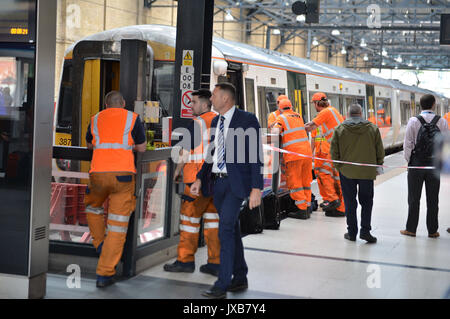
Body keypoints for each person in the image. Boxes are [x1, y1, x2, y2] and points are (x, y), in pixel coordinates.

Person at [190, 82, 264, 299]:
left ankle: (222, 284)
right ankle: (240, 276)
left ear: (225, 99)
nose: (211, 99)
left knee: (224, 230)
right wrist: (200, 179)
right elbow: (212, 154)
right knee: (231, 230)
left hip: (235, 185)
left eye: (214, 95)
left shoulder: (247, 119)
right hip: (218, 184)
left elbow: (255, 156)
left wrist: (256, 188)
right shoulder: (216, 121)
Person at [84, 91, 146, 288]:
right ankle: (104, 274)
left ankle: (100, 243)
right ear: (124, 103)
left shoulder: (95, 119)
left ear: (105, 104)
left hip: (98, 175)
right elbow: (142, 148)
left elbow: (88, 144)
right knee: (118, 225)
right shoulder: (133, 118)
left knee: (93, 207)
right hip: (123, 176)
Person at [163, 89, 220, 276]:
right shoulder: (222, 121)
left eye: (194, 102)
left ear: (205, 105)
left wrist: (176, 173)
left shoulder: (197, 124)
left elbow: (185, 152)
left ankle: (185, 261)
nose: (191, 106)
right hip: (216, 182)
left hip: (194, 180)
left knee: (189, 221)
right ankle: (215, 262)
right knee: (213, 222)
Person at [330, 104, 385, 243]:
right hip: (367, 172)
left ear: (348, 114)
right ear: (361, 113)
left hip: (347, 172)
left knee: (350, 202)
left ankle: (352, 232)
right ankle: (365, 231)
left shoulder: (340, 129)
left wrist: (339, 167)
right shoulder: (372, 128)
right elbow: (380, 150)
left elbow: (334, 152)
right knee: (367, 202)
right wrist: (377, 165)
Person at [401, 94, 448, 238]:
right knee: (433, 199)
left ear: (420, 105)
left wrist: (410, 161)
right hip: (434, 165)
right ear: (434, 105)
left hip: (416, 164)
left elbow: (408, 144)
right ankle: (433, 231)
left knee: (414, 198)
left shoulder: (413, 121)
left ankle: (411, 229)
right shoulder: (442, 122)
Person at [305, 92, 346, 217]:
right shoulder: (334, 111)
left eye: (314, 104)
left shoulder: (324, 113)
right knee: (337, 178)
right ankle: (340, 208)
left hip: (329, 150)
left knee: (324, 174)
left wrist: (294, 129)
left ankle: (333, 200)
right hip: (339, 149)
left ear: (317, 103)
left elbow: (310, 127)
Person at [272, 99, 312, 219]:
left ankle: (301, 209)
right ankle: (307, 205)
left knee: (295, 182)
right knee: (306, 180)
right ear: (290, 107)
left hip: (294, 154)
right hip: (306, 152)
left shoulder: (281, 118)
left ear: (280, 108)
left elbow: (275, 131)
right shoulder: (298, 116)